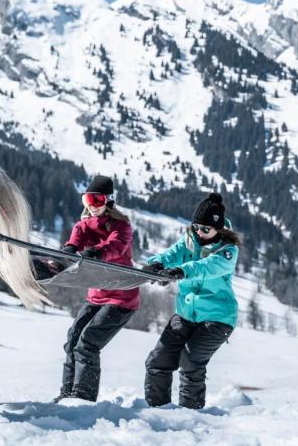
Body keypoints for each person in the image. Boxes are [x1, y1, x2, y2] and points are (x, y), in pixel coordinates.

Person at [142, 192, 241, 409]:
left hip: (218, 318)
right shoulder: (188, 241)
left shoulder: (228, 251)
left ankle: (189, 416)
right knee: (158, 361)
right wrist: (157, 264)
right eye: (196, 226)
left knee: (190, 361)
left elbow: (206, 267)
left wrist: (181, 271)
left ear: (219, 228)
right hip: (186, 315)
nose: (199, 232)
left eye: (205, 229)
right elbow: (170, 254)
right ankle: (158, 412)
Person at [54, 175, 139, 402]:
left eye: (97, 200)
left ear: (108, 201)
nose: (91, 206)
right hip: (97, 295)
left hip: (121, 299)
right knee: (72, 340)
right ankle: (67, 395)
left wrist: (96, 252)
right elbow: (75, 241)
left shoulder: (122, 226)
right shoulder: (83, 225)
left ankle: (82, 399)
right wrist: (68, 253)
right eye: (87, 200)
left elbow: (116, 247)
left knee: (87, 344)